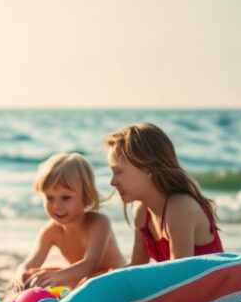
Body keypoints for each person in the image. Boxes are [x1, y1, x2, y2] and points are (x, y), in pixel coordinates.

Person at [105, 122, 224, 264]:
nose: (112, 182)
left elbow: (179, 277)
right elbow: (137, 267)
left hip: (215, 285)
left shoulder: (180, 208)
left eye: (118, 172)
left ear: (147, 169)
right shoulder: (141, 211)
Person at [15, 153, 125, 290]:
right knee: (34, 275)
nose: (56, 205)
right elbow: (29, 264)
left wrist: (56, 276)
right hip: (82, 280)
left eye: (66, 198)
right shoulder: (51, 231)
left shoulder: (99, 223)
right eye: (50, 198)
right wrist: (21, 273)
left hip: (114, 280)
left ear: (85, 195)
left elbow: (90, 265)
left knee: (83, 281)